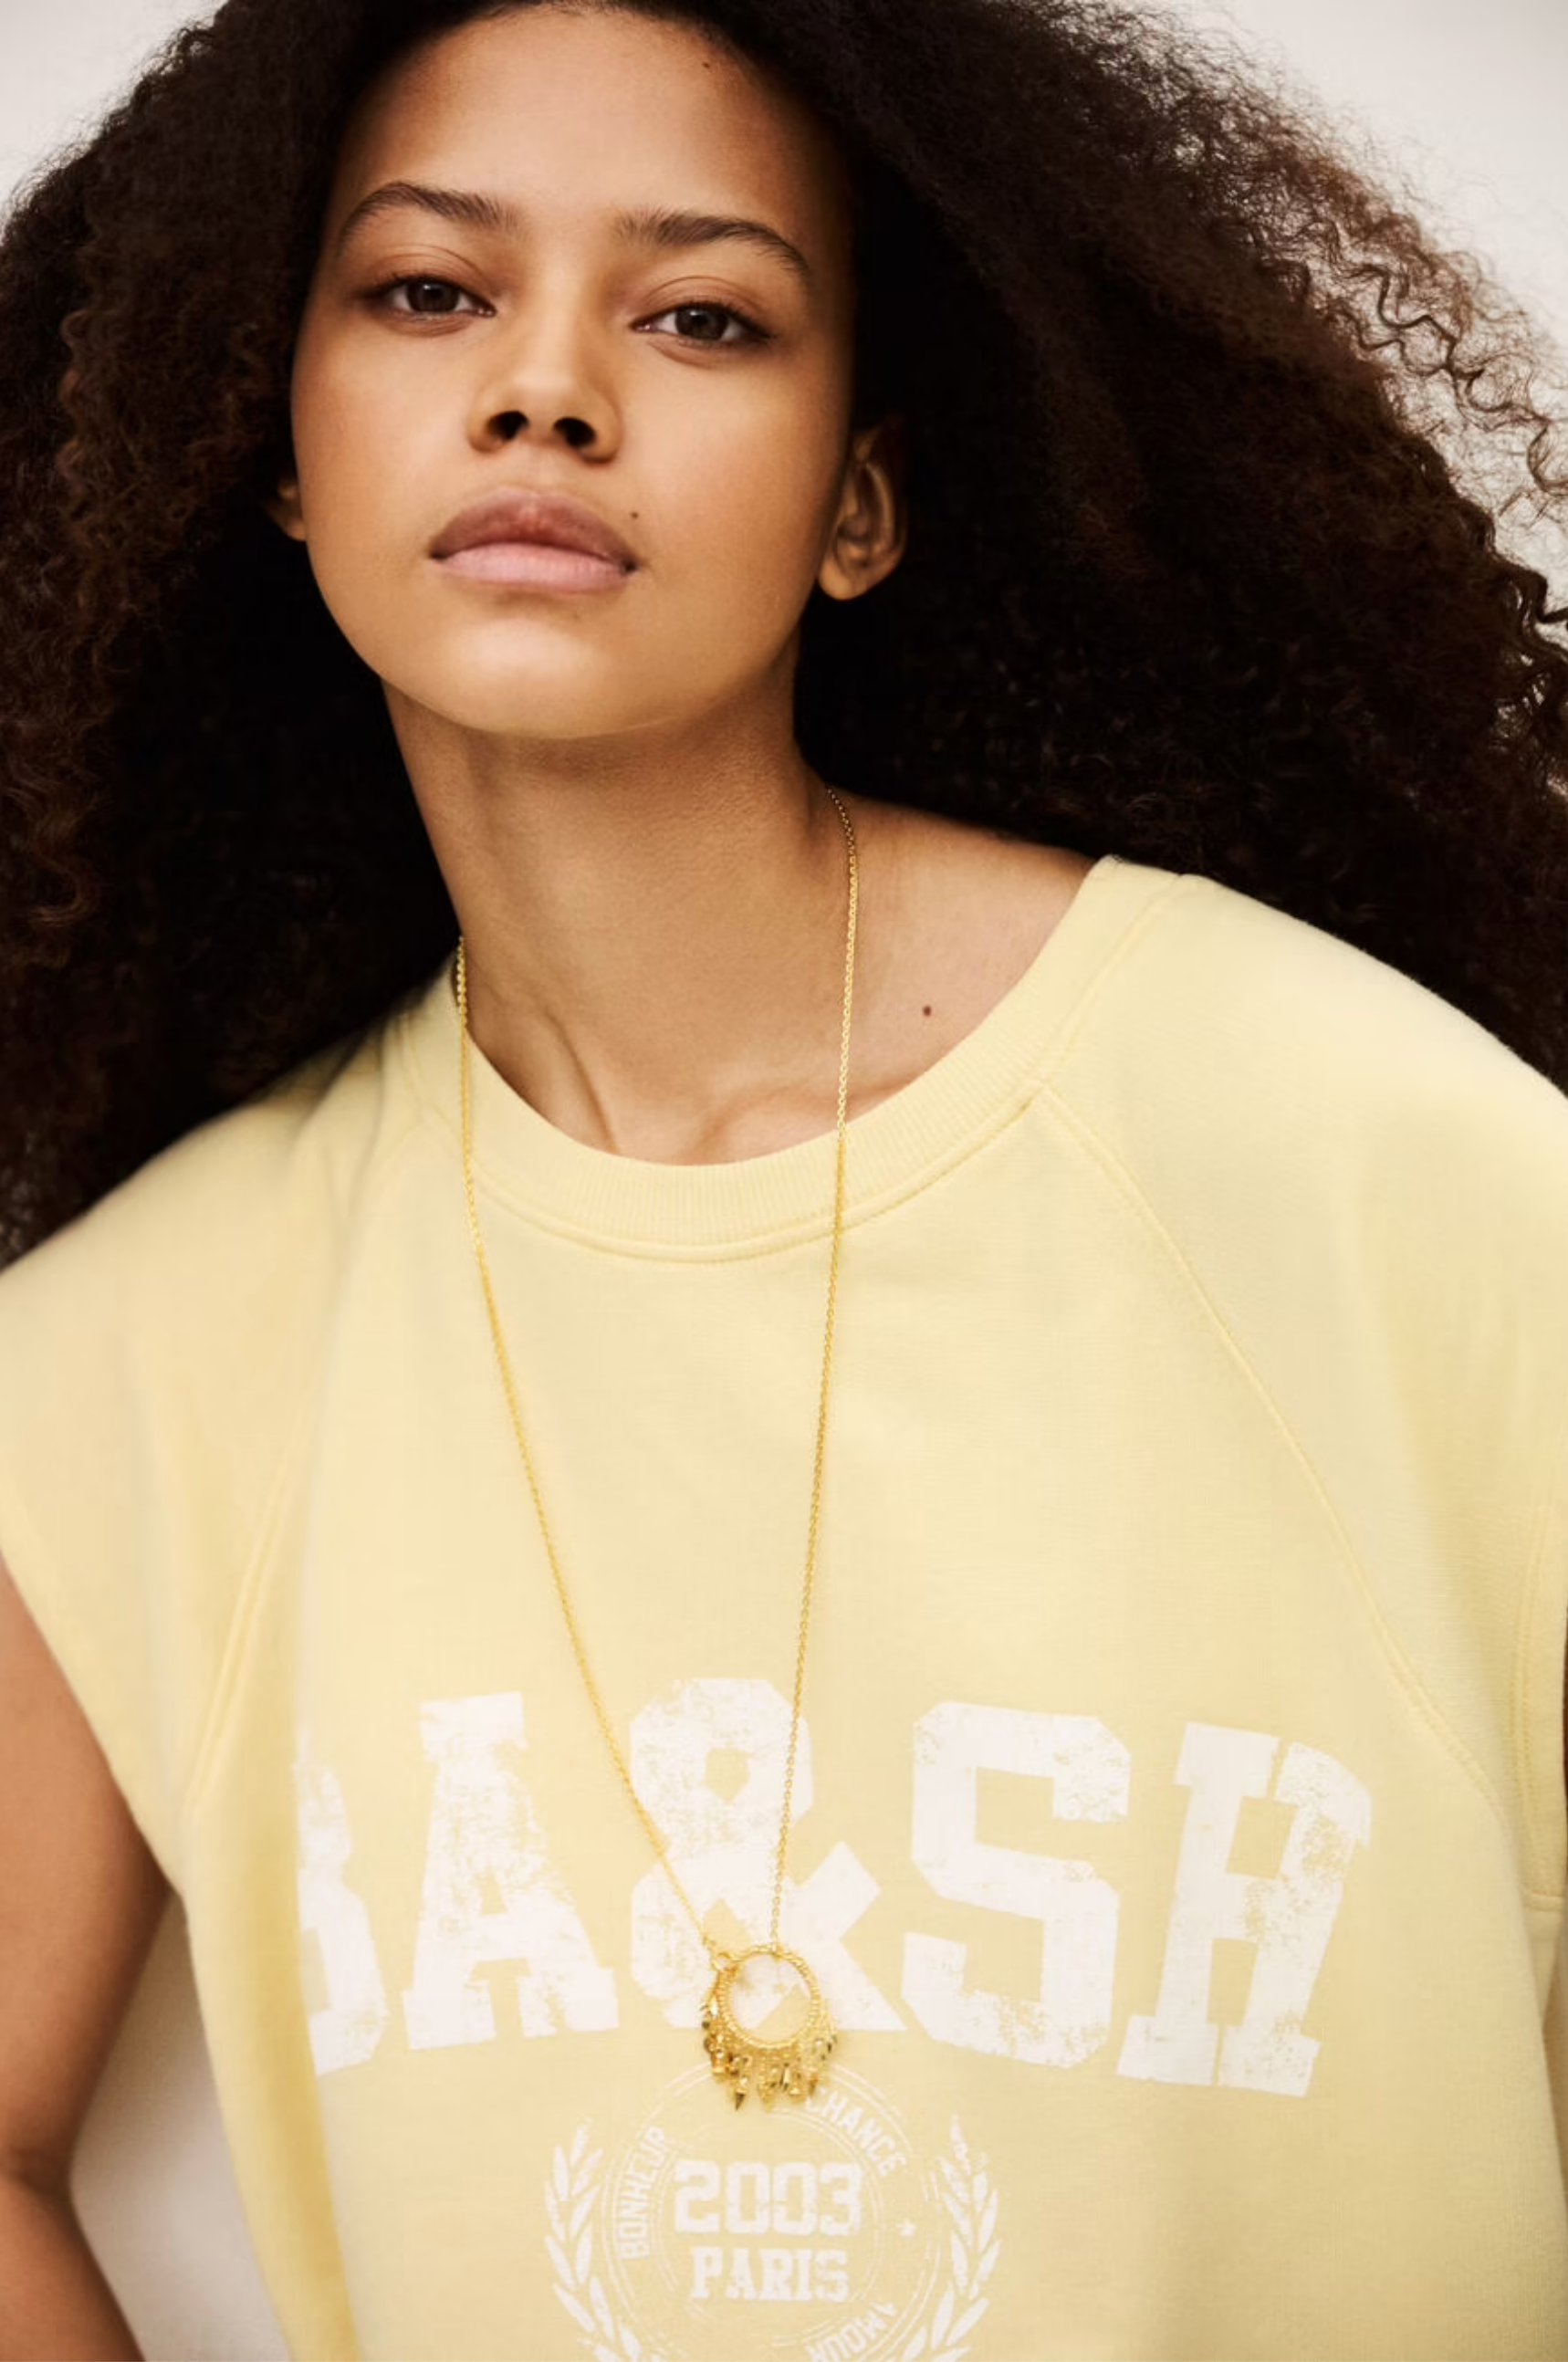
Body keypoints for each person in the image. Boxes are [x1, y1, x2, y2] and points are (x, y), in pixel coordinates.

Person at [1, 0, 1567, 2353]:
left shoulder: (1372, 1164)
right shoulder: (139, 1351)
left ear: (861, 501)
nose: (547, 389)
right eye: (431, 288)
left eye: (703, 314)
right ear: (279, 448)